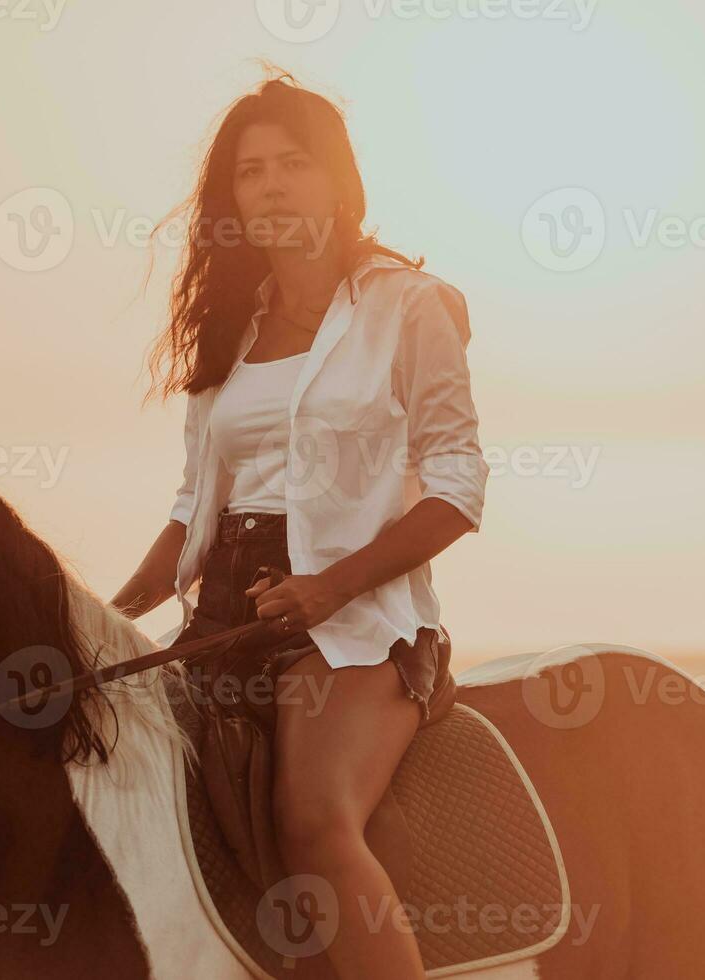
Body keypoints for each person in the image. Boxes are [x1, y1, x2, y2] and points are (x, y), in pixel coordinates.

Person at [111, 72, 489, 979]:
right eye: (250, 173)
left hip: (360, 629)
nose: (272, 185)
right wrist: (107, 616)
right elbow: (193, 505)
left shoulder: (410, 306)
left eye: (293, 164)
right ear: (231, 198)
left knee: (312, 818)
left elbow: (457, 483)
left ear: (337, 181)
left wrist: (329, 587)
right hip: (223, 617)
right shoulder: (226, 331)